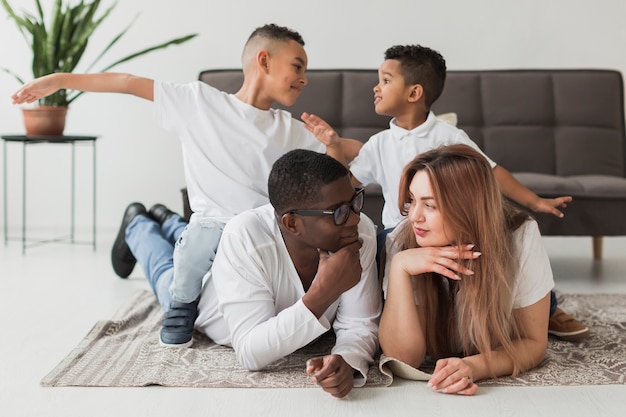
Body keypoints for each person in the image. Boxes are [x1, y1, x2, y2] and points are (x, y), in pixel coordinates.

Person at [12, 24, 355, 348]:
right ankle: (150, 246)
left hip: (256, 238)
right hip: (210, 233)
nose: (304, 79)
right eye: (297, 67)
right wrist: (58, 80)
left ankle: (161, 220)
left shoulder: (291, 130)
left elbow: (350, 156)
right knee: (190, 257)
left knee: (196, 241)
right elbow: (127, 81)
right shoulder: (199, 103)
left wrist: (376, 142)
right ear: (263, 60)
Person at [303, 44, 589, 342]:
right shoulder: (380, 143)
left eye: (386, 80)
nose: (376, 87)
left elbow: (490, 172)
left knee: (503, 250)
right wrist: (334, 146)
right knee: (370, 253)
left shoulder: (449, 137)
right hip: (397, 233)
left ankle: (546, 309)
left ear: (414, 93)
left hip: (451, 228)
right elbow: (346, 185)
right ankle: (372, 318)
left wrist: (535, 201)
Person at [117, 149, 382, 398]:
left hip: (231, 264)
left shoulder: (359, 233)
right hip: (203, 301)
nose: (355, 218)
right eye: (339, 212)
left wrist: (348, 359)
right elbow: (249, 352)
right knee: (165, 271)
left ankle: (169, 220)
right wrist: (323, 294)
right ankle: (138, 223)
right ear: (292, 223)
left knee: (183, 240)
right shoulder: (245, 236)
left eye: (355, 201)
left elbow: (358, 325)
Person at [379, 144, 553, 395]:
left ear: (467, 208)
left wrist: (475, 365)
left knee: (548, 306)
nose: (414, 216)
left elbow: (534, 343)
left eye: (430, 205)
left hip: (507, 269)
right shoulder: (402, 240)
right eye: (412, 201)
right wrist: (399, 269)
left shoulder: (520, 236)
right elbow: (403, 358)